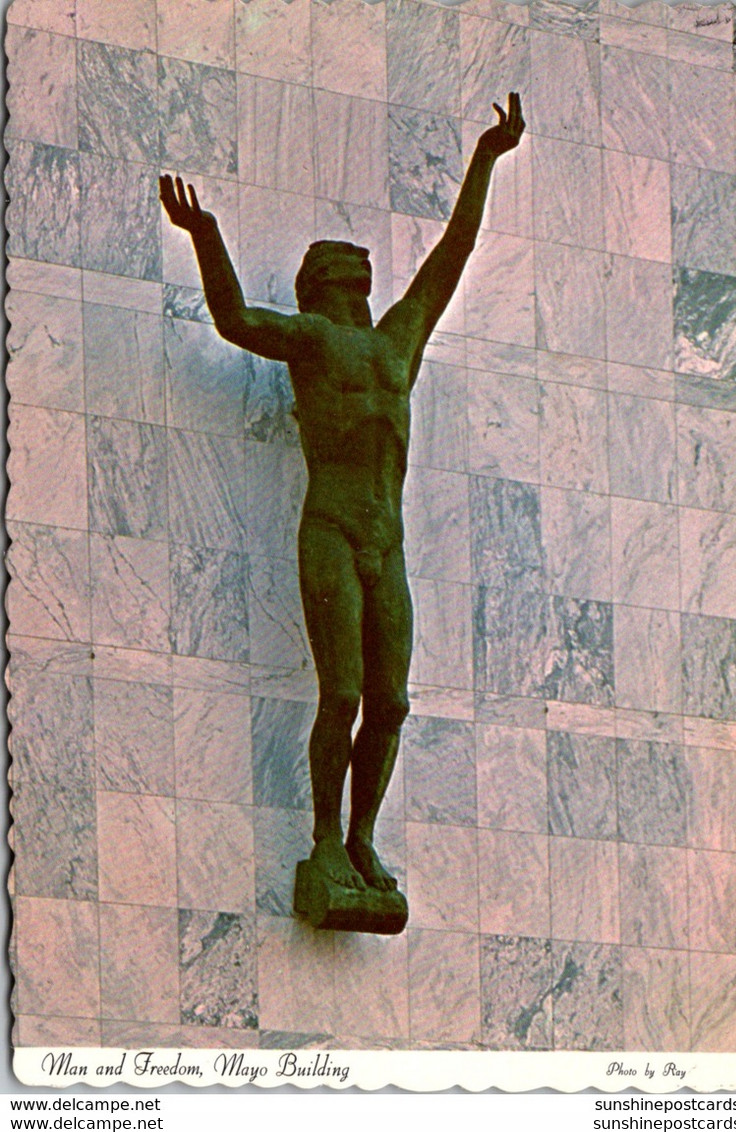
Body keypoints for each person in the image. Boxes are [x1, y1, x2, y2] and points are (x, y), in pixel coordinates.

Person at [160, 93, 526, 896]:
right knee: (345, 692)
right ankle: (324, 840)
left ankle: (362, 839)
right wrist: (207, 236)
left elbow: (453, 254)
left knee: (390, 703)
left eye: (357, 270)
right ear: (319, 285)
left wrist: (486, 159)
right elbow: (230, 320)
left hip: (384, 539)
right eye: (340, 271)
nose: (354, 278)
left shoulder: (397, 339)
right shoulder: (311, 341)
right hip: (330, 522)